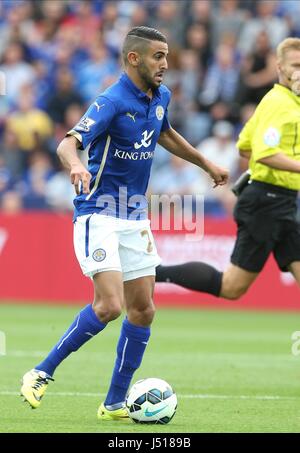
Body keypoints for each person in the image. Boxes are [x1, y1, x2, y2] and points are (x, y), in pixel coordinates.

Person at [20, 26, 228, 421]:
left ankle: (114, 403)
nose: (166, 64)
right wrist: (77, 164)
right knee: (110, 305)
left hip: (134, 216)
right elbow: (68, 143)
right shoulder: (111, 101)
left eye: (166, 56)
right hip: (98, 213)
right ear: (134, 59)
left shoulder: (160, 96)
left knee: (143, 309)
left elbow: (163, 133)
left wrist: (206, 163)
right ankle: (40, 372)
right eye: (158, 56)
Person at [156, 37, 300, 298]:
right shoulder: (282, 105)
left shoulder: (280, 102)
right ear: (279, 67)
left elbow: (245, 146)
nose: (299, 71)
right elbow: (266, 153)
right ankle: (153, 272)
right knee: (231, 287)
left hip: (281, 200)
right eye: (295, 65)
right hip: (268, 201)